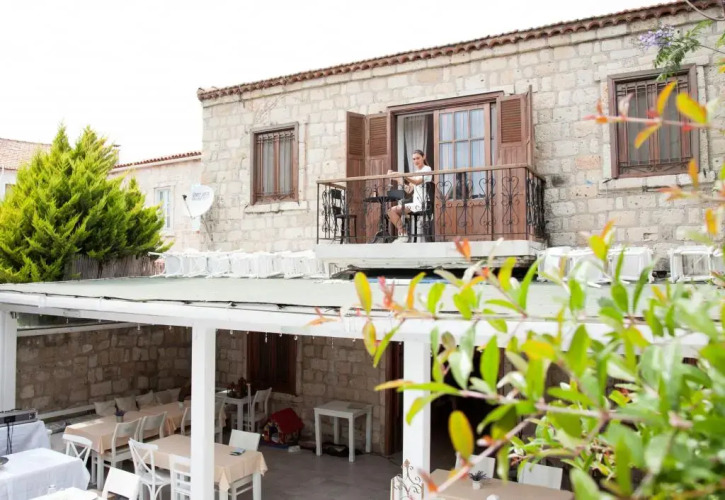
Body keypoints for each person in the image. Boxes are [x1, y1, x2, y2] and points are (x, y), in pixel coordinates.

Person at [387, 149, 432, 243]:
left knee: (393, 210)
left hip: (423, 203)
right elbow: (409, 190)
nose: (416, 161)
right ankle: (403, 234)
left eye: (418, 158)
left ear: (423, 157)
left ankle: (403, 236)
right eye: (414, 159)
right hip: (415, 204)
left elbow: (417, 182)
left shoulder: (427, 169)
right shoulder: (416, 172)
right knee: (391, 211)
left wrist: (403, 175)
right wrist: (398, 179)